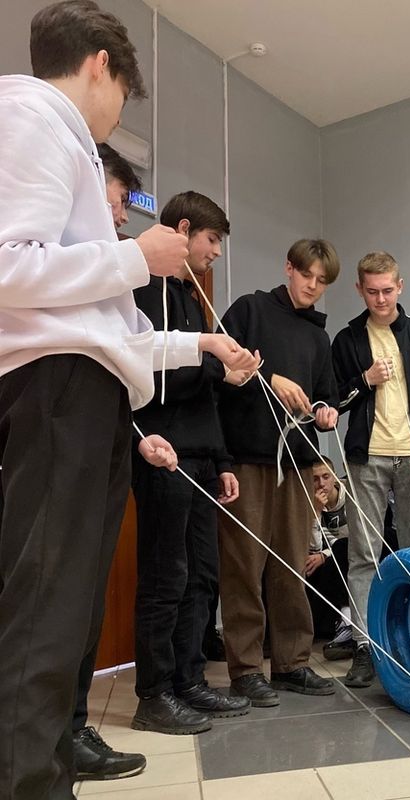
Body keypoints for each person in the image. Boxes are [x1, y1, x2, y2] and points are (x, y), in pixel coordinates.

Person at [0, 2, 258, 797]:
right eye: (122, 95)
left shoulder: (63, 140)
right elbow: (9, 267)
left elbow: (111, 333)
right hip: (57, 387)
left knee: (70, 604)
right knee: (48, 602)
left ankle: (50, 760)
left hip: (87, 388)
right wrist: (134, 258)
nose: (117, 116)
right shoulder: (33, 115)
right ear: (101, 64)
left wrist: (201, 344)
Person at [131, 192, 254, 735]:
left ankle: (189, 680)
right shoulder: (144, 289)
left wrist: (222, 457)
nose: (217, 252)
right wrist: (215, 366)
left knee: (202, 576)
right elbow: (155, 379)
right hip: (165, 455)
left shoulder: (188, 294)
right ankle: (155, 694)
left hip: (201, 457)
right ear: (183, 230)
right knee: (167, 577)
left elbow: (202, 392)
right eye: (212, 239)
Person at [217, 239, 340, 707]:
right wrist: (269, 378)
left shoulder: (318, 337)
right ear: (288, 268)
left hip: (298, 461)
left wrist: (325, 412)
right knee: (244, 566)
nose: (313, 286)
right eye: (307, 275)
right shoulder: (250, 310)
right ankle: (247, 670)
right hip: (249, 458)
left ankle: (291, 663)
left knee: (291, 564)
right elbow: (219, 365)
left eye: (322, 281)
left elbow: (325, 394)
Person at [331, 251, 410, 688]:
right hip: (366, 457)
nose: (380, 299)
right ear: (359, 290)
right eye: (371, 291)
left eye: (387, 290)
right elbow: (333, 399)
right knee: (364, 554)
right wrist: (365, 380)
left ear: (400, 286)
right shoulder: (347, 339)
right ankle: (366, 645)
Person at [70, 143, 145, 780]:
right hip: (59, 424)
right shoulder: (58, 259)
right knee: (57, 597)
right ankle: (46, 742)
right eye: (120, 202)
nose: (122, 217)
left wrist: (205, 344)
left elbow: (127, 348)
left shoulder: (101, 273)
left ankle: (68, 730)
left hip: (109, 425)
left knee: (82, 596)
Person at [304, 457, 352, 659]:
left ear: (335, 478)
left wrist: (324, 555)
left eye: (326, 477)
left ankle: (347, 621)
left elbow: (356, 539)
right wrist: (315, 511)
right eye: (315, 479)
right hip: (329, 563)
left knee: (341, 547)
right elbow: (314, 547)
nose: (321, 484)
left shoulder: (350, 496)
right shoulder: (309, 501)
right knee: (308, 564)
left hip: (351, 554)